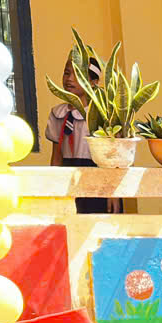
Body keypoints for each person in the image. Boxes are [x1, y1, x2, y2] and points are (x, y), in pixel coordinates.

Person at [45, 53, 107, 216]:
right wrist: (54, 187)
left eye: (78, 75)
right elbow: (56, 156)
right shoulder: (58, 113)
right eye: (67, 73)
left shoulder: (103, 114)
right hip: (68, 176)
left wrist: (112, 194)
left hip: (97, 178)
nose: (70, 79)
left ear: (94, 82)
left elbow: (112, 157)